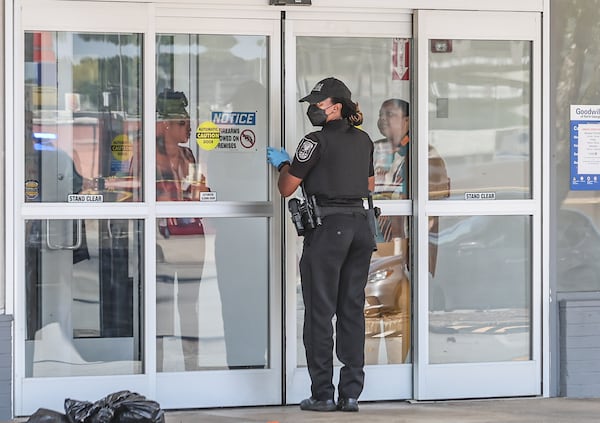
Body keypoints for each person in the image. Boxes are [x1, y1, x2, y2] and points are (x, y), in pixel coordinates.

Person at [267, 77, 375, 412]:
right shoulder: (364, 140)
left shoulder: (314, 142)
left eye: (320, 103)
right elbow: (369, 185)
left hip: (329, 231)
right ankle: (352, 393)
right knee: (351, 311)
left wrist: (284, 164)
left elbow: (287, 187)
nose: (314, 108)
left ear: (337, 106)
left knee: (319, 312)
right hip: (361, 228)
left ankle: (323, 394)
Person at [154, 88, 210, 371]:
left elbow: (202, 190)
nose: (190, 127)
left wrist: (200, 191)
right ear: (166, 124)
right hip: (160, 239)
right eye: (183, 122)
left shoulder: (188, 155)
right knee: (160, 306)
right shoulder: (146, 154)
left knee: (190, 304)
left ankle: (193, 370)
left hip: (190, 239)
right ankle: (155, 370)